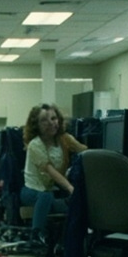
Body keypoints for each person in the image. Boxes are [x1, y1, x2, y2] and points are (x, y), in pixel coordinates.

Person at [19, 103, 87, 242]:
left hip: (51, 190)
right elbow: (50, 171)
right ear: (36, 125)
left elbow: (85, 152)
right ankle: (36, 235)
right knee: (46, 197)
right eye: (44, 120)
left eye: (54, 118)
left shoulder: (64, 139)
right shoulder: (35, 144)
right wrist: (70, 188)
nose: (51, 123)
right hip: (31, 191)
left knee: (70, 202)